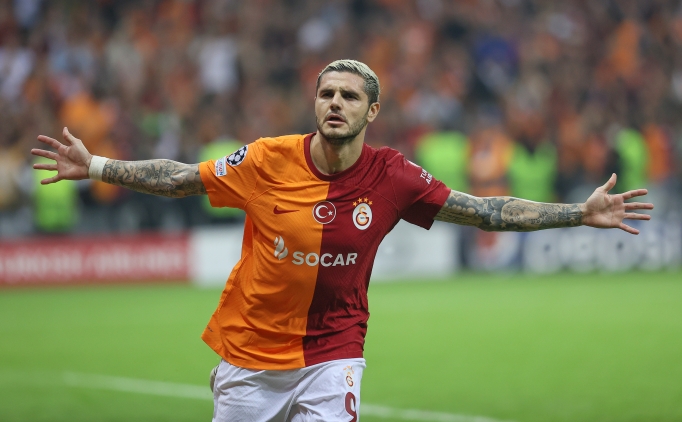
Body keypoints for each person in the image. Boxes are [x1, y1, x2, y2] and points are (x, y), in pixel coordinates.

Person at [31, 60, 653, 422]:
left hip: (333, 354)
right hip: (249, 355)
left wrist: (578, 213)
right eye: (326, 93)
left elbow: (485, 211)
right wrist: (99, 166)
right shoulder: (267, 159)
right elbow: (181, 179)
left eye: (349, 96)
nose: (335, 103)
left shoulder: (394, 176)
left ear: (371, 111)